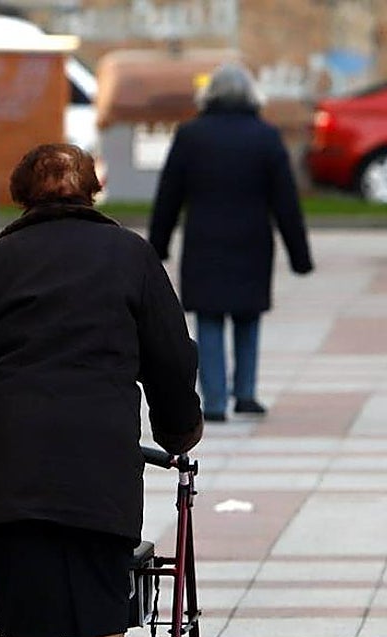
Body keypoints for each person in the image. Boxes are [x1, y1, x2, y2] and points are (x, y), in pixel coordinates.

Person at [0, 144, 203, 637]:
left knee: (23, 591)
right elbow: (171, 356)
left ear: (19, 194)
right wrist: (178, 429)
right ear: (93, 190)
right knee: (101, 581)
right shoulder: (130, 255)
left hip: (16, 450)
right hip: (100, 447)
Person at [148, 63, 313, 423]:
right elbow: (285, 200)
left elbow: (169, 194)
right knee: (247, 316)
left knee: (208, 318)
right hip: (252, 241)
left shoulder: (191, 135)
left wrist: (157, 244)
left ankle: (216, 401)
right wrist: (299, 255)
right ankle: (246, 393)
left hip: (205, 241)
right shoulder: (266, 136)